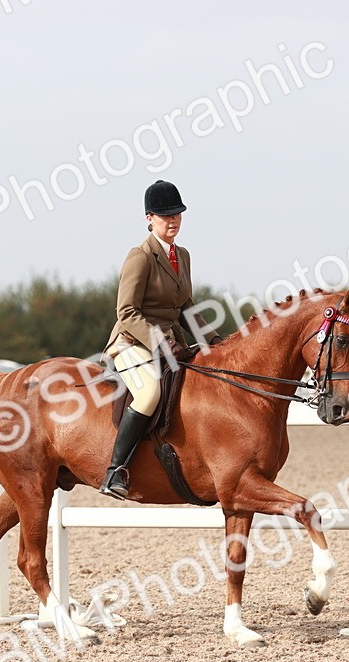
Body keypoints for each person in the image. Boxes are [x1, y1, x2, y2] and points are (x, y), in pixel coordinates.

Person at [99, 180, 221, 499]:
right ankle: (115, 471)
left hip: (170, 344)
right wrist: (160, 342)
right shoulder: (140, 256)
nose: (173, 220)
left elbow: (186, 308)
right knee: (150, 392)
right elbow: (126, 311)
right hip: (132, 343)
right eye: (166, 215)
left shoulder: (183, 256)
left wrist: (217, 343)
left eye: (177, 214)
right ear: (149, 218)